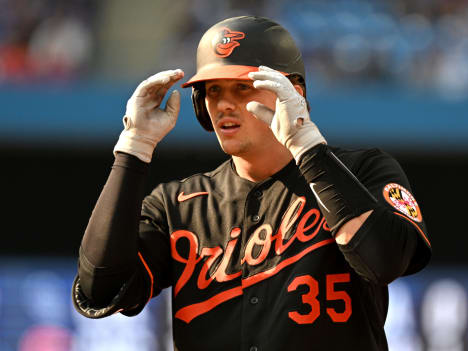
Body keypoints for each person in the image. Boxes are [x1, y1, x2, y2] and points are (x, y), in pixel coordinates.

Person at [72, 15, 431, 351]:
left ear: (293, 92)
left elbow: (385, 261)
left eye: (242, 88)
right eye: (212, 91)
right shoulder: (178, 203)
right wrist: (134, 149)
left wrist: (307, 145)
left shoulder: (362, 170)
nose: (224, 104)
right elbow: (101, 288)